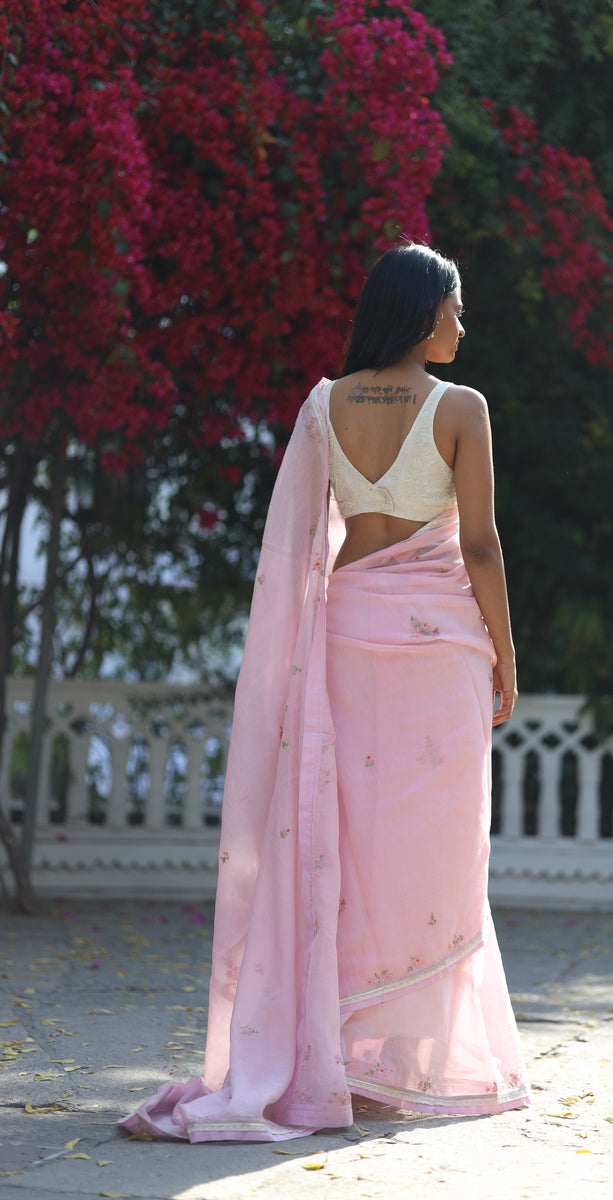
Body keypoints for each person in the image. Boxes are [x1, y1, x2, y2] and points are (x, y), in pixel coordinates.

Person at [120, 243, 531, 1143]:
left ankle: (336, 1054)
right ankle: (405, 1063)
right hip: (437, 650)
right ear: (424, 313)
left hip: (346, 634)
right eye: (456, 309)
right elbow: (483, 546)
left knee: (339, 842)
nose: (464, 325)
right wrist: (506, 652)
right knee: (432, 853)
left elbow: (306, 539)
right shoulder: (460, 408)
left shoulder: (323, 403)